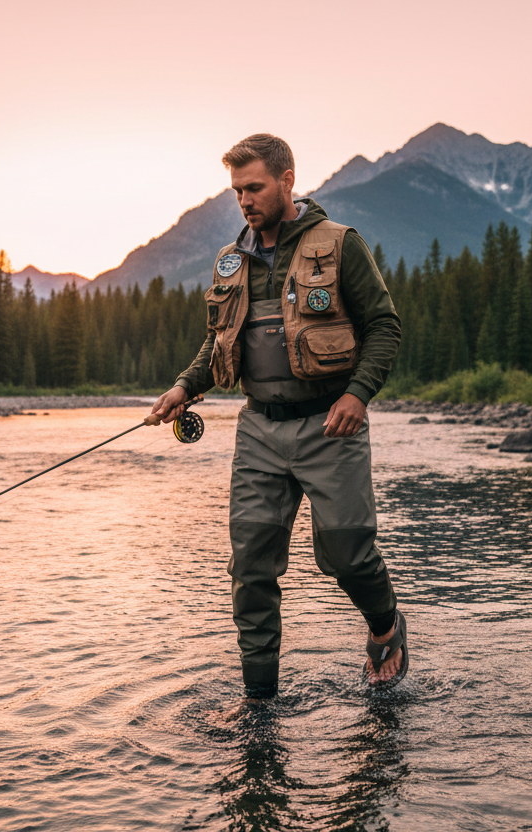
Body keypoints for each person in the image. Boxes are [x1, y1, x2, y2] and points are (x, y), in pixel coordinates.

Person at [152, 134, 406, 700]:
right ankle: (259, 701)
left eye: (255, 187)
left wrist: (357, 395)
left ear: (287, 180)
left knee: (345, 552)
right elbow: (218, 341)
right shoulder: (232, 259)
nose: (244, 199)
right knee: (251, 567)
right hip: (259, 430)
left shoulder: (339, 243)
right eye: (237, 190)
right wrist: (183, 388)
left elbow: (385, 327)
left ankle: (386, 626)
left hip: (330, 424)